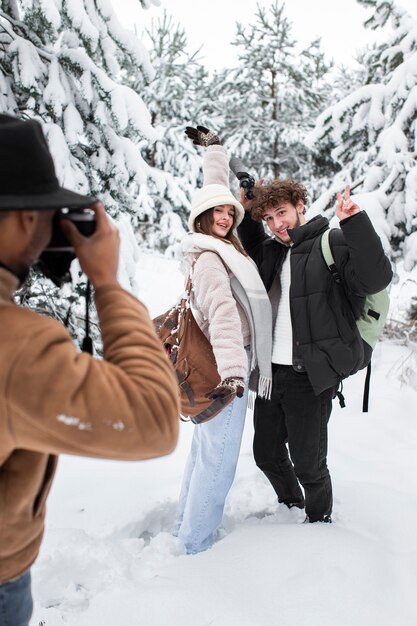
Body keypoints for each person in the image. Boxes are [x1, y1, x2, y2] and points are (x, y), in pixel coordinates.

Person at [0, 113, 179, 625]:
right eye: (43, 210)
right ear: (19, 218)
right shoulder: (15, 346)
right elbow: (152, 419)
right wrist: (106, 281)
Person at [236, 176, 393, 523]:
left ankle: (319, 522)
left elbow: (375, 278)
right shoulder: (273, 252)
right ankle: (290, 504)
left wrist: (353, 221)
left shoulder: (332, 243)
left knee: (309, 463)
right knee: (266, 454)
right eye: (270, 219)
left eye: (282, 212)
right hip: (270, 375)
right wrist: (248, 210)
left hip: (309, 376)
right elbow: (250, 241)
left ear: (300, 206)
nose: (278, 224)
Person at [175, 126, 273, 554]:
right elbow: (224, 320)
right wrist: (235, 375)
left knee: (203, 451)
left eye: (230, 213)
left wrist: (215, 150)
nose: (226, 217)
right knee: (218, 462)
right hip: (224, 369)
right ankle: (196, 543)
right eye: (218, 213)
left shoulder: (210, 244)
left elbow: (214, 187)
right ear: (201, 216)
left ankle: (185, 525)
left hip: (217, 365)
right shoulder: (214, 260)